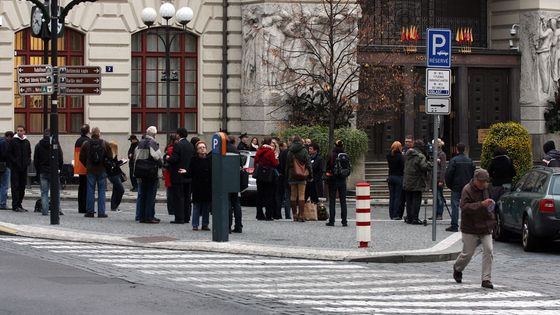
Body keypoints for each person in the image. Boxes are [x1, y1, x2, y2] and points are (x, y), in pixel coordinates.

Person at [452, 168, 496, 289]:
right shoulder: (467, 189)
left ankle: (486, 279)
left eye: (485, 181)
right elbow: (464, 207)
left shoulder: (487, 188)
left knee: (489, 250)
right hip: (470, 226)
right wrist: (481, 204)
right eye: (481, 181)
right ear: (475, 180)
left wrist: (492, 213)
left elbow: (491, 203)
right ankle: (457, 268)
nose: (483, 184)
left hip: (485, 225)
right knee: (468, 253)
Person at [79, 127, 112, 218]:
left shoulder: (86, 144)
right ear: (99, 134)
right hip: (102, 170)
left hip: (90, 170)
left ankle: (90, 211)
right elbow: (110, 157)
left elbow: (81, 157)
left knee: (90, 190)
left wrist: (87, 165)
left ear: (91, 133)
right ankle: (101, 212)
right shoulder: (105, 143)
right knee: (101, 191)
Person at [134, 126, 163, 223]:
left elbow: (135, 157)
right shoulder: (152, 143)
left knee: (143, 195)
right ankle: (149, 217)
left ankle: (142, 216)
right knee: (151, 195)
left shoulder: (140, 143)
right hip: (150, 173)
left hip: (140, 172)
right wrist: (162, 164)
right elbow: (157, 156)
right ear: (154, 134)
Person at [445, 143, 476, 232]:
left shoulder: (454, 160)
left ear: (457, 150)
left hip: (456, 186)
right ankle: (469, 224)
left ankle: (454, 225)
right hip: (467, 186)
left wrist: (449, 185)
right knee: (468, 205)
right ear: (464, 149)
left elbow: (449, 174)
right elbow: (474, 174)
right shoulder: (469, 160)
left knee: (455, 205)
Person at [167, 127, 195, 224]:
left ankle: (179, 218)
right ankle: (187, 217)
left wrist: (168, 158)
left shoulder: (178, 145)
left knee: (178, 197)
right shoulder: (191, 145)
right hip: (188, 175)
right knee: (187, 197)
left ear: (178, 134)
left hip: (178, 175)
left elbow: (174, 159)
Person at [33, 129, 63, 216]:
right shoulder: (55, 144)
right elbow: (60, 157)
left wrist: (39, 171)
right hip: (54, 171)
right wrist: (59, 169)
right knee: (56, 192)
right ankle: (57, 210)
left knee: (44, 192)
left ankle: (45, 211)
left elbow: (36, 160)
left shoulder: (38, 145)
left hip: (43, 171)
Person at [403, 139, 431, 225]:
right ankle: (415, 218)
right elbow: (424, 167)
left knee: (409, 200)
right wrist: (430, 164)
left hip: (407, 180)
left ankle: (409, 218)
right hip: (417, 181)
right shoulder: (420, 156)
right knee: (416, 200)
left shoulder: (407, 155)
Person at [286, 136, 312, 222]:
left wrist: (287, 175)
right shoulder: (304, 150)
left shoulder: (290, 151)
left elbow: (287, 165)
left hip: (292, 174)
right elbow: (308, 163)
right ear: (301, 141)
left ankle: (294, 215)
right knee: (301, 195)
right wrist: (310, 175)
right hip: (301, 174)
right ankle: (301, 215)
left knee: (293, 195)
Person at [325, 140, 350, 226]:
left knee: (332, 201)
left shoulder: (332, 155)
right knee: (343, 201)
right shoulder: (345, 155)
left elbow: (328, 166)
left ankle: (332, 221)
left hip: (333, 179)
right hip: (343, 180)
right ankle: (344, 221)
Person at [7, 125, 31, 212]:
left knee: (22, 187)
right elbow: (9, 153)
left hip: (24, 168)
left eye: (21, 130)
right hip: (15, 168)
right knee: (15, 187)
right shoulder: (13, 141)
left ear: (24, 131)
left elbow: (29, 153)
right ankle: (15, 205)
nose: (19, 132)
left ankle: (20, 204)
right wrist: (14, 162)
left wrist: (27, 162)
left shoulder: (26, 142)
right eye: (18, 130)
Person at [254, 136, 279, 220]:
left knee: (259, 195)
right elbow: (275, 163)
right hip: (269, 176)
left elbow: (255, 162)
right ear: (269, 143)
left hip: (260, 175)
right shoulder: (270, 151)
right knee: (269, 195)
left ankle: (259, 214)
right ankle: (268, 214)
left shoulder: (259, 150)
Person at [189, 141, 212, 231]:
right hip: (197, 186)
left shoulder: (209, 159)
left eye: (204, 147)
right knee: (197, 206)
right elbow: (190, 172)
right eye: (200, 148)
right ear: (197, 150)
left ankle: (205, 224)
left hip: (207, 186)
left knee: (206, 206)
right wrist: (185, 172)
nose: (202, 149)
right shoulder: (194, 159)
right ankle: (195, 224)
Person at [226, 134, 243, 233]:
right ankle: (238, 226)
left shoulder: (223, 149)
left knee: (227, 203)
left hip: (225, 179)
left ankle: (227, 226)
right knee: (236, 203)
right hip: (235, 179)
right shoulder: (236, 150)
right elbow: (240, 166)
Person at [74, 124, 90, 213]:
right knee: (87, 188)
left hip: (79, 168)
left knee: (81, 188)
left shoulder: (78, 141)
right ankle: (86, 207)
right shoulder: (88, 141)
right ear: (88, 131)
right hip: (87, 168)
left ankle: (81, 208)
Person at [387, 141, 404, 220]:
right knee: (397, 197)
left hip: (390, 177)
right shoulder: (400, 156)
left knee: (392, 196)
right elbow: (402, 167)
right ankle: (395, 214)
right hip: (398, 177)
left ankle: (391, 214)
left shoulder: (389, 156)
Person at [107, 141, 126, 212]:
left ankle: (114, 207)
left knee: (115, 191)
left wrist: (120, 162)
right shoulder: (110, 155)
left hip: (115, 174)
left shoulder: (113, 154)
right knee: (121, 190)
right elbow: (113, 165)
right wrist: (120, 162)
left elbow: (114, 164)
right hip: (113, 175)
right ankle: (115, 205)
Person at [431, 138, 447, 220]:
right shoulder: (434, 154)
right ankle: (435, 213)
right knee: (435, 197)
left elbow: (443, 168)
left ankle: (439, 214)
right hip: (433, 178)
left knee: (439, 197)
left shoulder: (442, 154)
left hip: (438, 179)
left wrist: (441, 180)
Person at [163, 134, 178, 215]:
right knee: (173, 192)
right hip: (172, 172)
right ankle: (173, 209)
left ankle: (170, 209)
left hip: (168, 172)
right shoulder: (173, 149)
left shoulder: (167, 148)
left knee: (170, 192)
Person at [275, 140, 290, 219]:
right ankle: (288, 215)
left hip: (281, 176)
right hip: (286, 176)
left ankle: (278, 214)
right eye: (284, 146)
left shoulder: (281, 154)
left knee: (279, 196)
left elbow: (279, 165)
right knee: (287, 196)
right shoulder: (288, 153)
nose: (285, 147)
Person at [0, 131, 13, 210]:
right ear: (9, 137)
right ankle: (2, 203)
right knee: (4, 185)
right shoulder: (5, 143)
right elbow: (5, 155)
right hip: (5, 166)